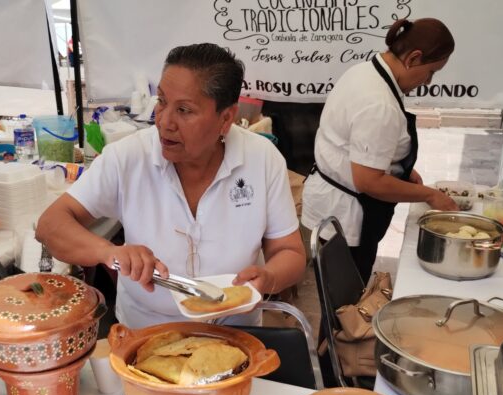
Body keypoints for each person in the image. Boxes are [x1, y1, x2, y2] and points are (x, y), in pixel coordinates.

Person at [36, 43, 306, 328]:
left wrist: (269, 277)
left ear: (225, 118)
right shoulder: (128, 157)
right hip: (145, 332)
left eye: (184, 110)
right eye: (162, 101)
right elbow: (50, 225)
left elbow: (290, 252)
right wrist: (109, 252)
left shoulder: (261, 160)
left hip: (236, 331)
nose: (164, 122)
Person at [301, 18, 458, 284]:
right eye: (431, 71)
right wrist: (430, 196)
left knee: (340, 305)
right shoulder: (379, 103)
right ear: (413, 57)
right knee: (345, 311)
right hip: (347, 216)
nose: (429, 81)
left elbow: (357, 144)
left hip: (332, 203)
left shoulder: (365, 71)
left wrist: (403, 170)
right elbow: (369, 181)